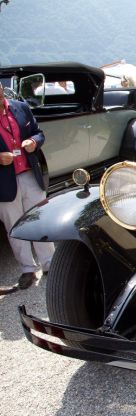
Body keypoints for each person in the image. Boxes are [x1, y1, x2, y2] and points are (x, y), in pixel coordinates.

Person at [0, 81, 54, 290]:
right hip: (5, 181)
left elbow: (39, 133)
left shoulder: (20, 107)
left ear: (2, 91)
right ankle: (27, 270)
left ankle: (49, 263)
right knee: (14, 227)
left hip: (30, 174)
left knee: (40, 218)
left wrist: (33, 141)